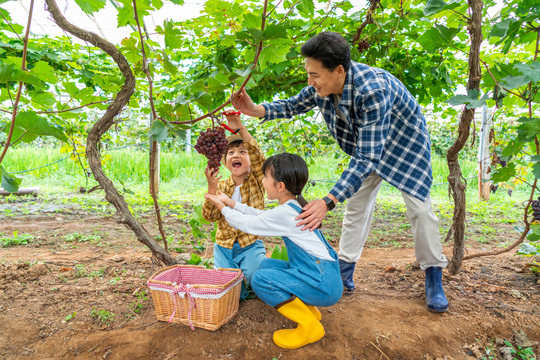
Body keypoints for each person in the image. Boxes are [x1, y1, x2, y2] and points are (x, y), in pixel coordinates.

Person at [231, 31, 449, 313]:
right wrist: (255, 109)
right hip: (366, 149)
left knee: (420, 211)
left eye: (315, 75)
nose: (310, 82)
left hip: (403, 150)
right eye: (308, 74)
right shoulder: (323, 86)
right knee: (356, 208)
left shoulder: (373, 90)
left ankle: (433, 275)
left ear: (339, 70)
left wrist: (328, 200)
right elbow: (293, 105)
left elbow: (369, 156)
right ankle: (344, 270)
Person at [204, 153, 342, 349]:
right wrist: (231, 203)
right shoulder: (292, 206)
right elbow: (262, 215)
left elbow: (250, 224)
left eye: (266, 177)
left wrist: (222, 208)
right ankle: (310, 311)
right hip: (322, 277)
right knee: (265, 265)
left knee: (260, 280)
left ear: (280, 186)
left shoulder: (286, 213)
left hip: (323, 285)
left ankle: (310, 326)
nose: (263, 180)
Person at [201, 110, 266, 299]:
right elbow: (209, 217)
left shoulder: (257, 180)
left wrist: (239, 126)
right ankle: (239, 291)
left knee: (256, 276)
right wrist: (211, 189)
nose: (236, 155)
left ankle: (251, 278)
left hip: (250, 244)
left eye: (242, 152)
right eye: (231, 153)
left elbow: (257, 155)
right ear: (226, 163)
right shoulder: (221, 185)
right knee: (231, 291)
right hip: (224, 246)